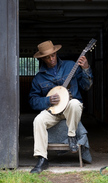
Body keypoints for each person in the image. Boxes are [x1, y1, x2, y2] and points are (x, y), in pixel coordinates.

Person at [29, 40, 93, 173]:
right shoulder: (39, 78)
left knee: (75, 103)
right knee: (38, 120)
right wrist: (48, 100)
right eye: (47, 57)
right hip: (53, 112)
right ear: (42, 58)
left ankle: (71, 137)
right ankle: (42, 158)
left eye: (52, 55)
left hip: (70, 110)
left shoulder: (71, 66)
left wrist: (86, 69)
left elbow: (86, 86)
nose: (51, 59)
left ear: (56, 53)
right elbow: (33, 101)